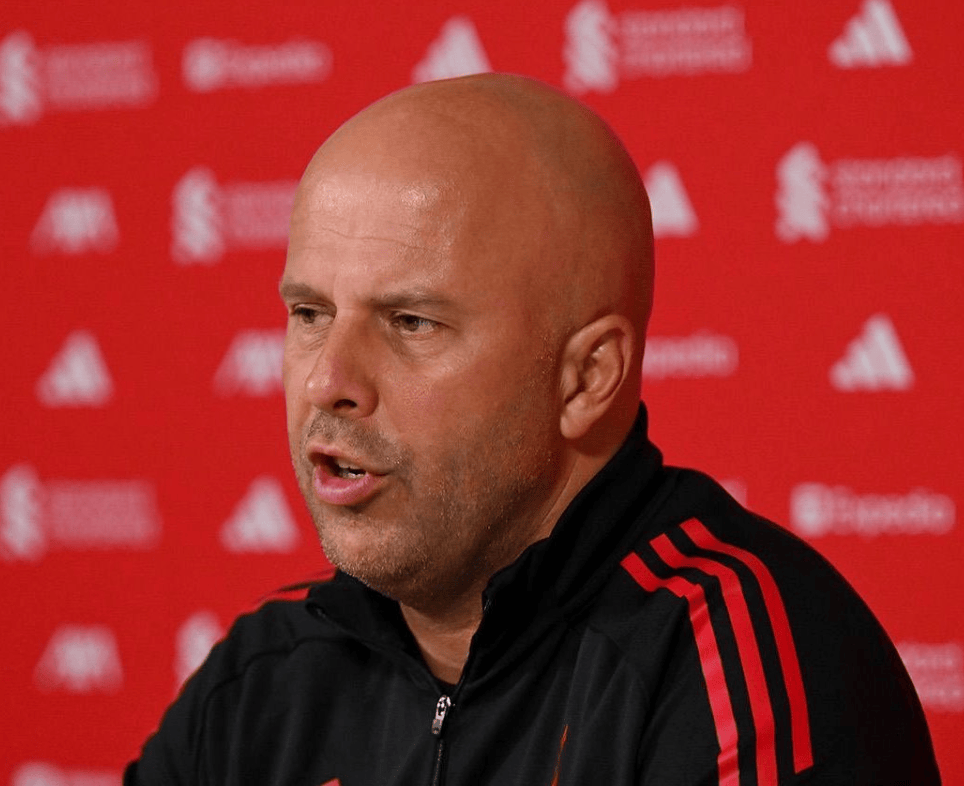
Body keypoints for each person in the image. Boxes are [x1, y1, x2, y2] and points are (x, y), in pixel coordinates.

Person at [125, 74, 940, 785]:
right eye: (309, 313)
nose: (327, 382)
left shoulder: (736, 663)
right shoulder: (264, 677)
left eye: (411, 322)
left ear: (587, 377)